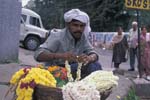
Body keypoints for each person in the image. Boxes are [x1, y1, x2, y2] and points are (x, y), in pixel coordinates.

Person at [34, 9, 102, 79]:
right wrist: (60, 56)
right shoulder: (57, 36)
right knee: (89, 67)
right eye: (75, 25)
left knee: (95, 64)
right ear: (68, 25)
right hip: (56, 71)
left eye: (82, 26)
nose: (79, 29)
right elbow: (38, 54)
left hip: (72, 69)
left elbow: (93, 53)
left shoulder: (82, 37)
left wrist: (89, 58)